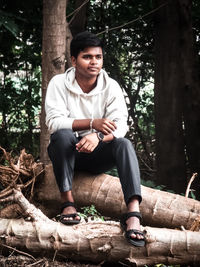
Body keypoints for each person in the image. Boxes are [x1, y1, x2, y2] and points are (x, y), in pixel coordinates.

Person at [45, 31, 145, 247]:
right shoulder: (59, 83)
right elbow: (53, 122)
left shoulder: (111, 86)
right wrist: (93, 122)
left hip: (98, 154)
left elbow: (121, 125)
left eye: (98, 57)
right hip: (68, 152)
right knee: (61, 136)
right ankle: (67, 203)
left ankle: (133, 214)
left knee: (124, 144)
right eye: (87, 57)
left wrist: (98, 135)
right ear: (73, 60)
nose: (94, 62)